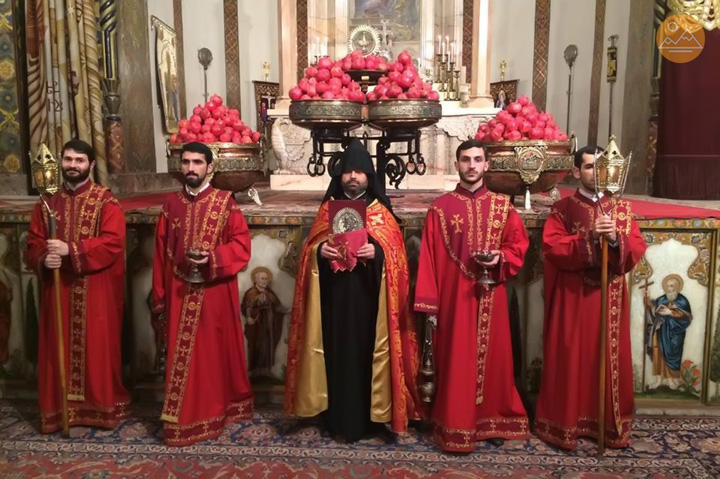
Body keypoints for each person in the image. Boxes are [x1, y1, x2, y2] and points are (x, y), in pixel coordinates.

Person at [285, 138, 421, 443]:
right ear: (340, 175)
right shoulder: (326, 213)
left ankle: (371, 418)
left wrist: (379, 256)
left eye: (360, 171)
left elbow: (397, 259)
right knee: (334, 355)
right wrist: (321, 252)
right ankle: (334, 418)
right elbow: (309, 253)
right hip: (333, 302)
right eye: (348, 171)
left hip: (369, 304)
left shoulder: (382, 214)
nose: (354, 177)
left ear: (369, 176)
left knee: (367, 357)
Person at [414, 139, 530, 452]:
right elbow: (428, 257)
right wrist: (429, 304)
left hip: (492, 294)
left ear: (487, 165)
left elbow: (517, 245)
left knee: (495, 361)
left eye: (478, 159)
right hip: (454, 300)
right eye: (466, 160)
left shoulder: (503, 206)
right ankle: (456, 423)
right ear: (457, 164)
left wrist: (500, 258)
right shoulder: (440, 209)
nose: (472, 165)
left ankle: (493, 421)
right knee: (456, 361)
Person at [534, 145, 647, 449]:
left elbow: (635, 249)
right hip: (573, 298)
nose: (596, 173)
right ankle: (566, 425)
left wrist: (614, 238)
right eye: (588, 167)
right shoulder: (563, 209)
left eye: (600, 167)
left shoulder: (621, 209)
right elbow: (553, 248)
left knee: (606, 358)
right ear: (575, 171)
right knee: (571, 358)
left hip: (609, 298)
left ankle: (606, 426)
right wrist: (589, 238)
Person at [152, 141, 253, 446]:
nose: (191, 168)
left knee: (211, 356)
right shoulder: (171, 204)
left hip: (214, 292)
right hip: (179, 290)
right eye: (186, 162)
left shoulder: (225, 202)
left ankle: (215, 411)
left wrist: (214, 258)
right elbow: (160, 252)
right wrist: (159, 295)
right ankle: (181, 416)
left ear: (211, 167)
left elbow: (241, 246)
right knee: (182, 355)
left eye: (198, 162)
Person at [26, 138, 130, 433]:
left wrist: (70, 250)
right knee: (56, 349)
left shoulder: (106, 201)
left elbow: (112, 242)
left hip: (94, 289)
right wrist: (45, 257)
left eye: (79, 160)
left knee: (97, 349)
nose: (73, 165)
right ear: (60, 162)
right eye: (68, 159)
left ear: (91, 165)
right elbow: (33, 243)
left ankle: (97, 409)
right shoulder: (47, 203)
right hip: (57, 291)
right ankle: (59, 411)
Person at [645, 274, 692, 390]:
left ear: (677, 287)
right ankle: (659, 380)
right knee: (659, 354)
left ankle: (671, 381)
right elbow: (653, 308)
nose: (669, 289)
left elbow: (687, 317)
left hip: (675, 334)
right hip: (660, 331)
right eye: (667, 286)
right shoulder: (662, 299)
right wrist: (647, 300)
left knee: (671, 354)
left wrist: (670, 313)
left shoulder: (682, 301)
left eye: (672, 286)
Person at [242, 266, 285, 378]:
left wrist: (285, 310)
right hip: (257, 324)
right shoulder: (251, 293)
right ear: (255, 280)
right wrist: (248, 317)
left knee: (269, 345)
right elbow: (247, 307)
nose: (264, 281)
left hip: (269, 323)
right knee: (258, 345)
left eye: (266, 279)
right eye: (262, 278)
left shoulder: (269, 292)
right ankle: (255, 371)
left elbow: (277, 306)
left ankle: (266, 370)